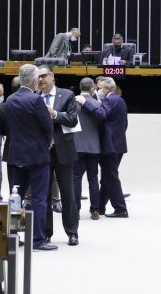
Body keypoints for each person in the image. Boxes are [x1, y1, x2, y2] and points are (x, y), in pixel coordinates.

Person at [0, 64, 56, 251]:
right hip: (37, 156)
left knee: (15, 198)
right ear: (32, 80)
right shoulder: (36, 100)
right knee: (39, 198)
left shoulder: (7, 102)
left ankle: (12, 236)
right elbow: (48, 127)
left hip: (15, 156)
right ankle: (37, 240)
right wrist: (46, 142)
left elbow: (0, 129)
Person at [37, 66, 80, 246]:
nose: (41, 80)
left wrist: (54, 113)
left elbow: (72, 119)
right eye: (38, 77)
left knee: (68, 194)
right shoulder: (34, 97)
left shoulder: (67, 95)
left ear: (53, 77)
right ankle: (46, 234)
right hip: (42, 152)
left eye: (44, 76)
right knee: (44, 195)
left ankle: (72, 232)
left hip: (63, 150)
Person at [75, 76, 129, 218]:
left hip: (110, 145)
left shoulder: (110, 100)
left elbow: (101, 114)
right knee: (106, 177)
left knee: (111, 176)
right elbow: (125, 124)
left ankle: (120, 208)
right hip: (118, 144)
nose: (98, 90)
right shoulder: (120, 100)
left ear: (107, 88)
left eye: (100, 88)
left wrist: (84, 102)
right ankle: (100, 207)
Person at [73, 77, 101, 220]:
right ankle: (95, 210)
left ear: (80, 87)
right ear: (92, 88)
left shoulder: (72, 103)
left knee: (76, 179)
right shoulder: (97, 104)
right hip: (94, 146)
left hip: (77, 145)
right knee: (93, 178)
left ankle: (76, 210)